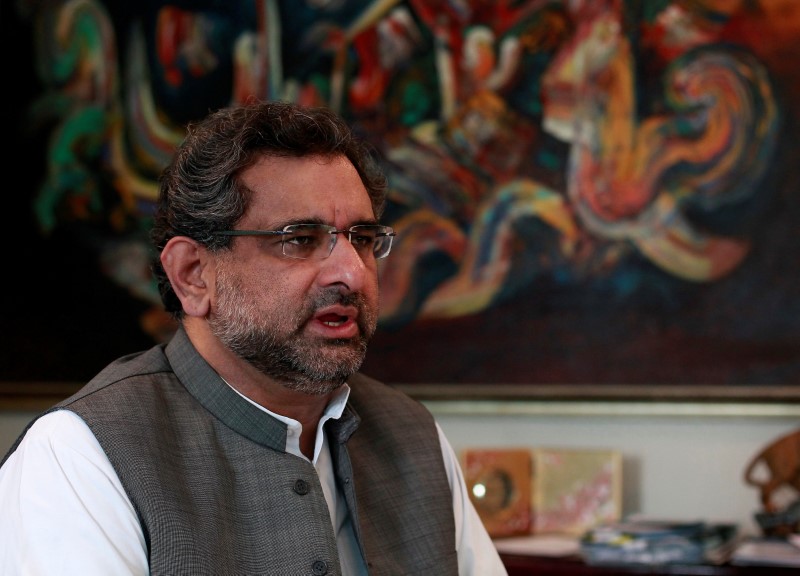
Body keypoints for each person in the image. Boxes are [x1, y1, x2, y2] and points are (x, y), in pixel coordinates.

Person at [0, 100, 507, 575]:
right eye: (300, 240)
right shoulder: (78, 455)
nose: (351, 273)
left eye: (364, 239)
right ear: (194, 274)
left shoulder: (412, 435)